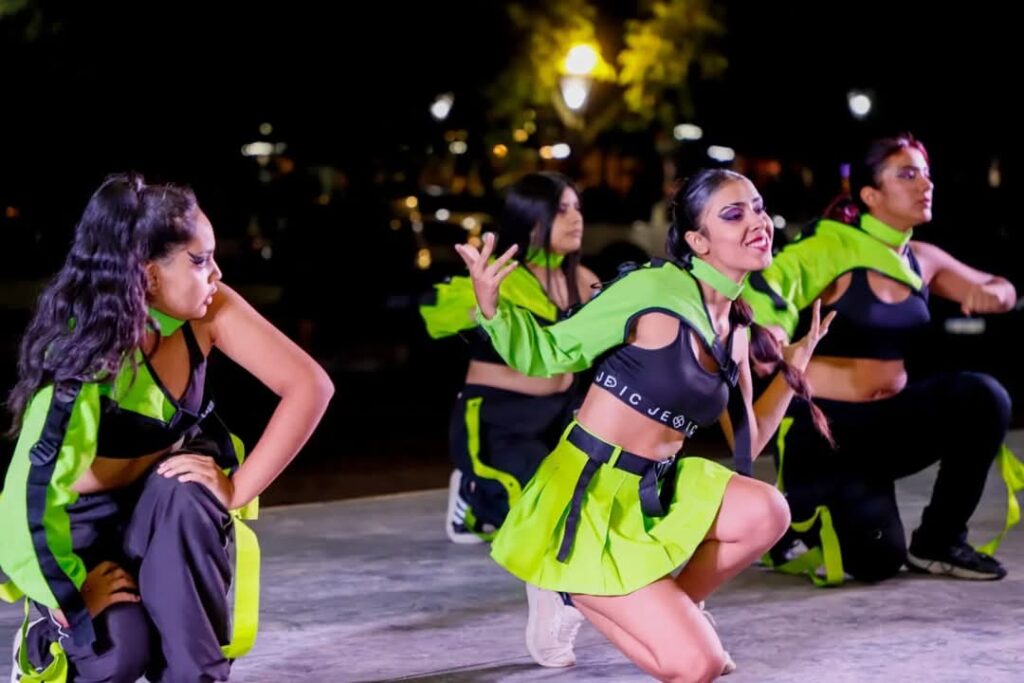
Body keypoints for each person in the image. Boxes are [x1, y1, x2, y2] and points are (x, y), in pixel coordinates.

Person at [455, 168, 834, 682]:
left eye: (759, 208)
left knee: (767, 509)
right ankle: (568, 586)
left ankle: (671, 608)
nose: (758, 222)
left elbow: (750, 442)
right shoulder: (652, 289)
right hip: (587, 501)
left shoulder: (737, 327)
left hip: (651, 492)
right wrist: (491, 307)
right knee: (698, 665)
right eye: (734, 213)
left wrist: (795, 369)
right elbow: (550, 351)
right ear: (698, 241)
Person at [1, 173, 334, 682]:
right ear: (147, 273)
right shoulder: (82, 358)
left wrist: (237, 487)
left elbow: (310, 386)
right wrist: (67, 595)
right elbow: (25, 500)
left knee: (188, 488)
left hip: (163, 521)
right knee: (120, 654)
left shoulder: (207, 311)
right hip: (83, 537)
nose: (216, 272)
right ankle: (48, 641)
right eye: (199, 261)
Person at [745, 134, 1018, 584]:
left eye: (926, 173)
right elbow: (771, 290)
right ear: (871, 195)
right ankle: (792, 517)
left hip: (887, 428)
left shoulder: (919, 259)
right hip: (826, 433)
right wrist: (770, 334)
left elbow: (999, 285)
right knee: (875, 562)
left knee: (982, 396)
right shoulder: (829, 247)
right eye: (907, 174)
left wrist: (992, 294)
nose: (924, 184)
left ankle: (939, 541)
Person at [420, 172, 599, 667]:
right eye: (561, 209)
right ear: (530, 218)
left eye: (577, 206)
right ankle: (550, 613)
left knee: (596, 495)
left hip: (559, 419)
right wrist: (485, 300)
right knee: (539, 504)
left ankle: (474, 503)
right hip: (498, 420)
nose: (575, 217)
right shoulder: (497, 275)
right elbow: (449, 318)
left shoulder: (583, 281)